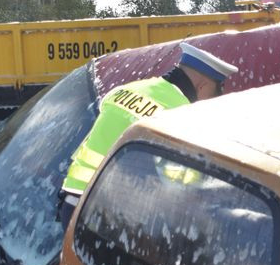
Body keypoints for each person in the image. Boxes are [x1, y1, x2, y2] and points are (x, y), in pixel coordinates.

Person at [59, 43, 237, 224]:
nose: (216, 98)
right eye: (217, 91)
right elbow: (181, 187)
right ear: (203, 86)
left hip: (72, 202)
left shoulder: (126, 90)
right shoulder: (181, 113)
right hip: (103, 215)